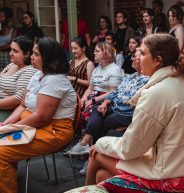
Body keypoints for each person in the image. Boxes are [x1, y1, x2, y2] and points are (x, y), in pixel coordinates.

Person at [85, 34, 184, 192]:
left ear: (158, 60)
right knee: (102, 175)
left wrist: (100, 143)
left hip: (175, 176)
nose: (137, 58)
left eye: (142, 53)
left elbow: (130, 148)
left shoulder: (156, 93)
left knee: (96, 153)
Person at [0, 37, 77, 193]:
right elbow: (23, 105)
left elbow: (41, 118)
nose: (31, 57)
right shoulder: (38, 75)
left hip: (53, 131)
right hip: (34, 125)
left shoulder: (55, 80)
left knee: (0, 152)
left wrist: (10, 128)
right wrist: (6, 124)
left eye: (35, 54)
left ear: (47, 58)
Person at [67, 48, 149, 175]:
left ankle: (88, 152)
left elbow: (129, 100)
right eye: (133, 56)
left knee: (101, 123)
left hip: (127, 113)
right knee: (97, 108)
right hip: (115, 108)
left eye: (136, 57)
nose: (132, 59)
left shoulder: (147, 80)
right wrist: (105, 103)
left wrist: (112, 101)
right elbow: (116, 92)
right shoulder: (131, 76)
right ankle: (88, 151)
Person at [79, 41, 123, 131]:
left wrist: (92, 100)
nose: (94, 53)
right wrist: (83, 99)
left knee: (89, 113)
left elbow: (112, 92)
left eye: (97, 51)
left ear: (106, 52)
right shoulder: (96, 69)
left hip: (106, 100)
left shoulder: (115, 69)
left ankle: (87, 141)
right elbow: (90, 88)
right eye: (94, 50)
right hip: (93, 97)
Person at [0, 36, 38, 122]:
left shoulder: (29, 70)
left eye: (15, 51)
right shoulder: (12, 65)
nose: (10, 53)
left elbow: (18, 99)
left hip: (9, 112)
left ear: (27, 54)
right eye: (11, 49)